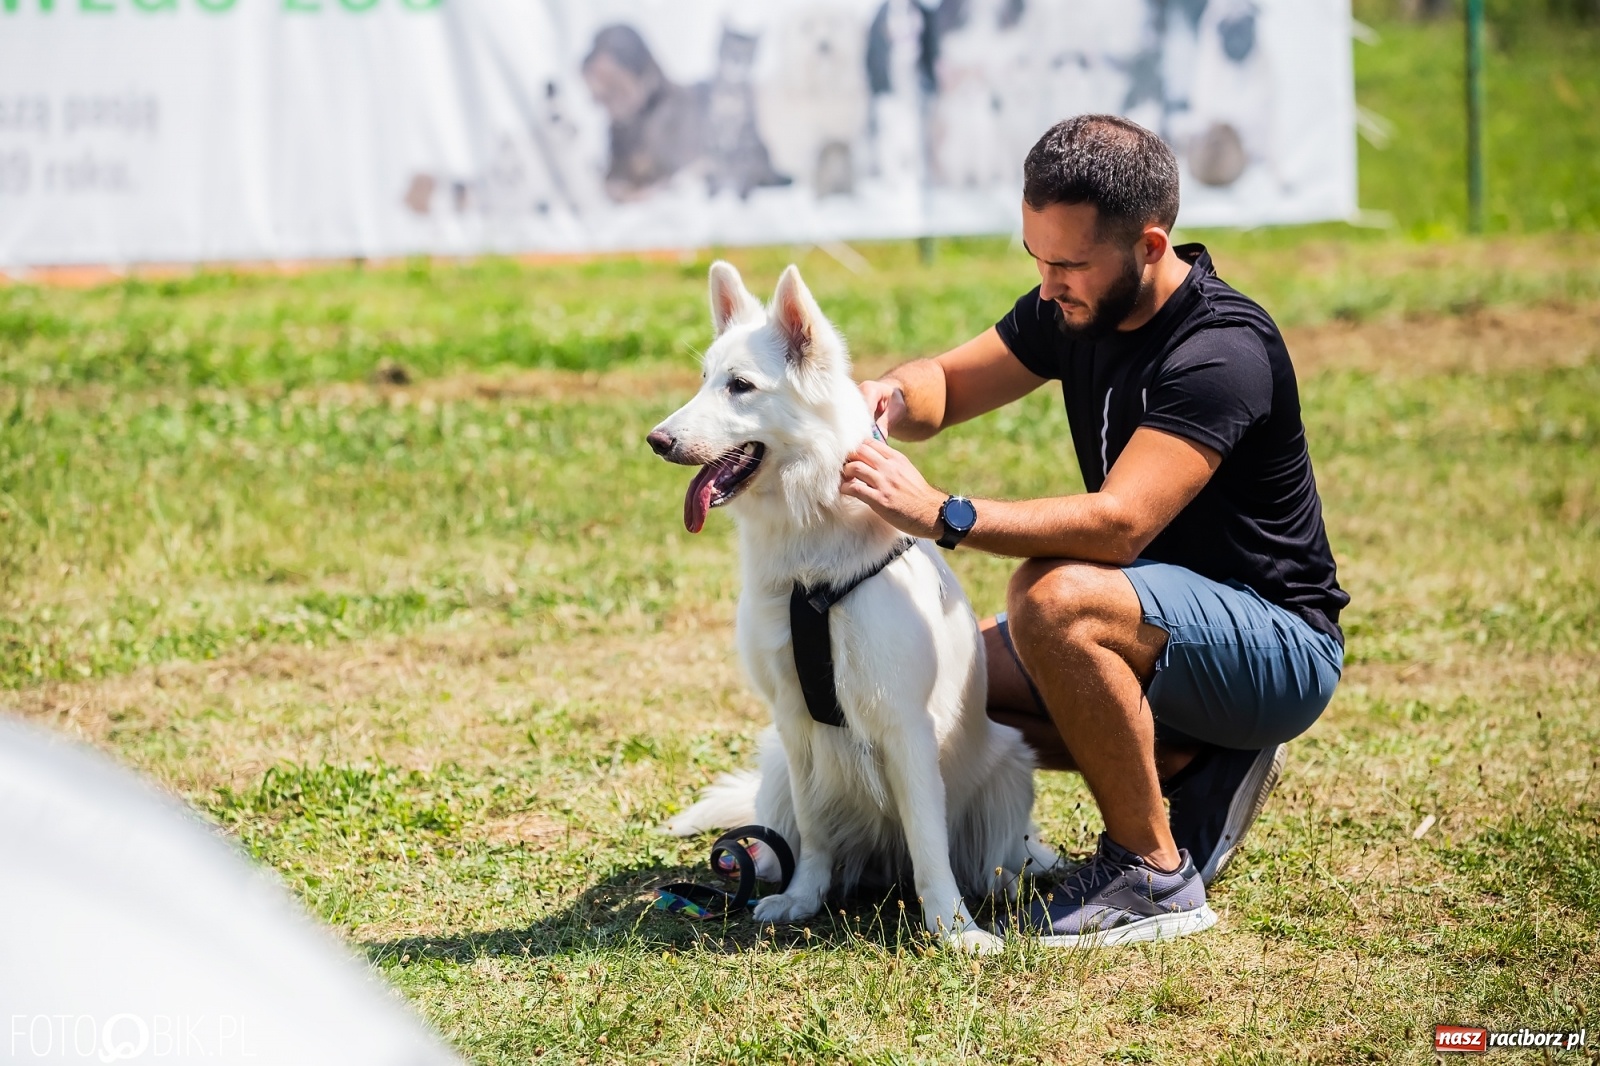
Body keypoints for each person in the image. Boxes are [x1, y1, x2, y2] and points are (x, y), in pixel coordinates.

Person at [840, 114, 1347, 944]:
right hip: (1157, 625)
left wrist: (941, 514)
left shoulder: (1223, 347)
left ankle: (1153, 872)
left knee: (1052, 600)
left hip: (1278, 645)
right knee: (944, 672)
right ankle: (1193, 763)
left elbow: (1117, 526)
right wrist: (886, 396)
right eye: (1037, 258)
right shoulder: (1070, 307)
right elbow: (945, 386)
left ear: (1150, 246)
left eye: (1069, 263)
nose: (1048, 284)